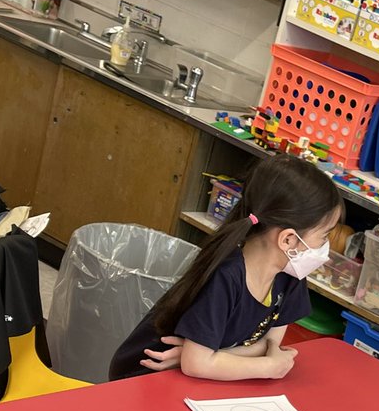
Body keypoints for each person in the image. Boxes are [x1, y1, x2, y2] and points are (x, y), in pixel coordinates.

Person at [109, 155, 343, 381]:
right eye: (323, 236)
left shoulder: (289, 275)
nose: (325, 247)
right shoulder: (226, 276)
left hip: (193, 374)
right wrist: (267, 366)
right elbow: (202, 364)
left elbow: (270, 344)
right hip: (145, 375)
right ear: (288, 240)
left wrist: (210, 358)